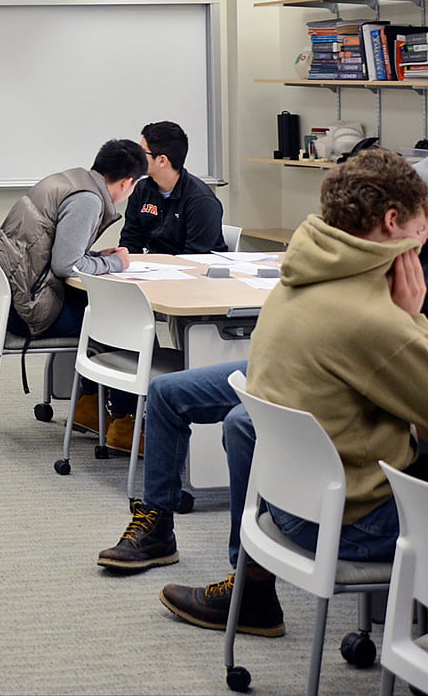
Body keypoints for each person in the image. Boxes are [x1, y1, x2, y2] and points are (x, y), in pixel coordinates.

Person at [159, 149, 428, 638]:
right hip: (349, 524)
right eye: (422, 222)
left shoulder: (298, 276)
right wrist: (412, 318)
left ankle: (254, 589)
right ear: (394, 220)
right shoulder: (375, 318)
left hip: (288, 504)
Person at [96, 360, 248, 573]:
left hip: (305, 375)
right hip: (270, 362)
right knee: (163, 391)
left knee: (240, 423)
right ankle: (158, 529)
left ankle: (250, 577)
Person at [0, 138, 147, 340]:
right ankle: (149, 372)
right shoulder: (87, 200)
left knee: (112, 307)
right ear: (127, 183)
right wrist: (115, 263)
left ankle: (84, 371)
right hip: (33, 311)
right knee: (131, 317)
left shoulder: (71, 180)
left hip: (15, 302)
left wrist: (96, 256)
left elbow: (49, 248)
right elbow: (66, 265)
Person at [118, 121, 228, 255]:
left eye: (142, 153)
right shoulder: (141, 189)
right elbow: (130, 241)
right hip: (154, 269)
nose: (136, 158)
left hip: (194, 271)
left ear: (162, 161)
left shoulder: (201, 201)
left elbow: (195, 257)